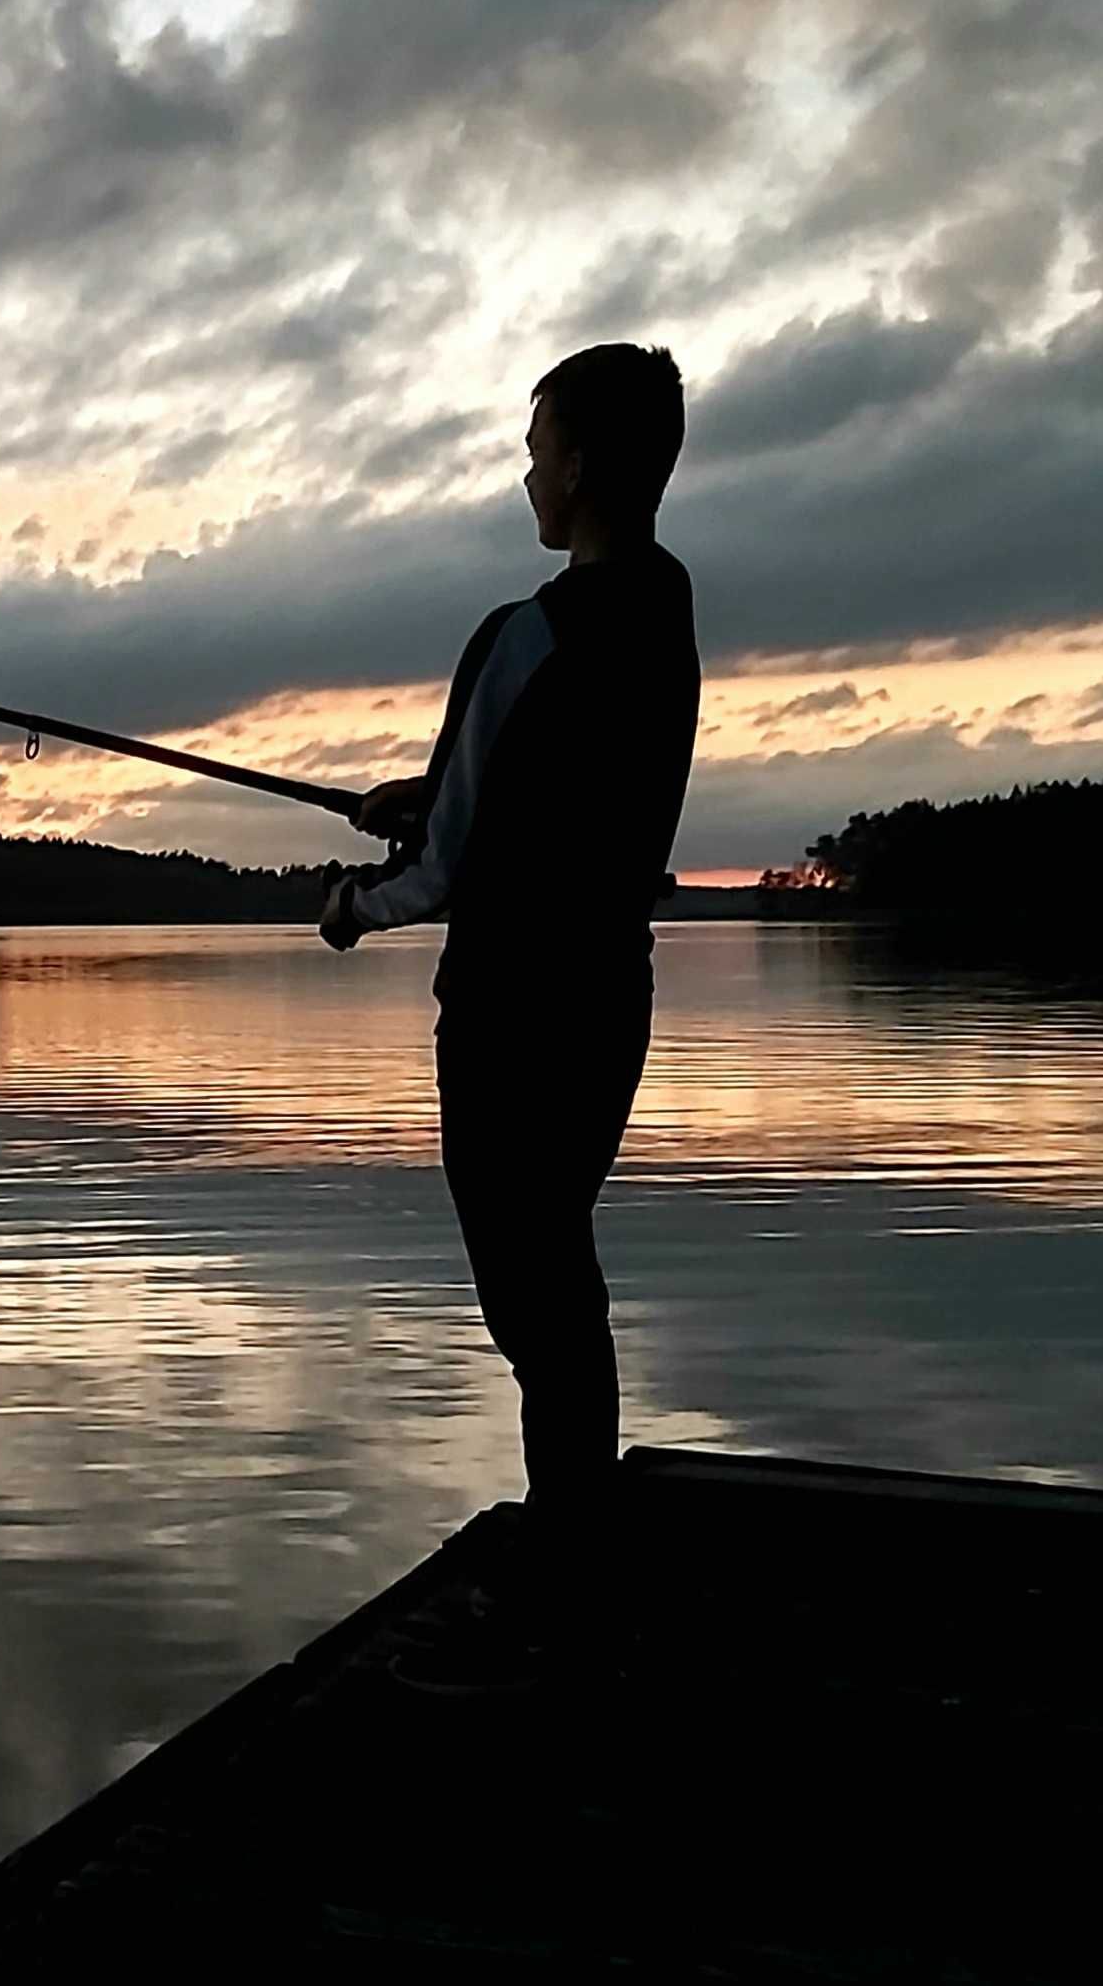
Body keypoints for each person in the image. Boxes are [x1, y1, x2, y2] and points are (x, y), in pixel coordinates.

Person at [320, 343, 699, 1545]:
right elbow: (560, 804)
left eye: (537, 454)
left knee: (526, 1287)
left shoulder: (521, 633)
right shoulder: (666, 605)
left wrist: (349, 907)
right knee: (559, 1268)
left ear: (581, 467)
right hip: (607, 999)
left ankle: (569, 1534)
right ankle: (575, 1517)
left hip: (507, 1015)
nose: (526, 477)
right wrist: (437, 792)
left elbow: (443, 877)